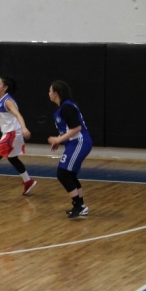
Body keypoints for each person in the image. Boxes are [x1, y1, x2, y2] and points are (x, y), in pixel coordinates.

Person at [0, 77, 37, 201]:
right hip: (11, 133)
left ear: (5, 87)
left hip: (12, 133)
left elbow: (17, 114)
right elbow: (1, 115)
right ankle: (28, 181)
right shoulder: (0, 99)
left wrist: (24, 127)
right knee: (12, 158)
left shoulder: (7, 101)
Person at [47, 80, 93, 218]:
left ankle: (78, 205)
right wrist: (59, 139)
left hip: (80, 142)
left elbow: (77, 128)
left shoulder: (67, 107)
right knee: (70, 174)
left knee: (63, 174)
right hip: (75, 143)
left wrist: (58, 140)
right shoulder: (64, 107)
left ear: (56, 93)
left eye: (50, 91)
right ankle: (80, 206)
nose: (49, 93)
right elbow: (67, 129)